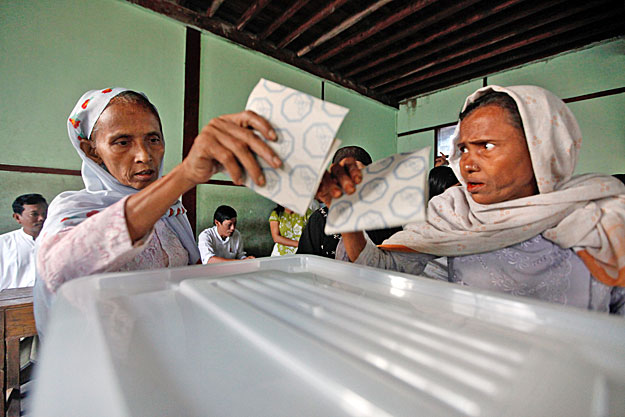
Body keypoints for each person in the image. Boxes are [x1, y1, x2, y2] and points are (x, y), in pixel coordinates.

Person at [318, 85, 625, 313]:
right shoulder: (452, 212)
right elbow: (381, 272)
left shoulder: (603, 221)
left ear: (541, 149)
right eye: (464, 148)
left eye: (486, 146)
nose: (467, 163)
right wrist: (350, 217)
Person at [34, 88, 282, 337]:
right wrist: (184, 175)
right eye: (122, 142)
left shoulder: (170, 210)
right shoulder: (73, 210)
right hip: (114, 362)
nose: (144, 156)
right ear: (91, 150)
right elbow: (57, 272)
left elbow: (185, 277)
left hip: (174, 347)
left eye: (153, 139)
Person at [297, 146, 400, 258]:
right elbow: (303, 264)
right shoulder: (319, 219)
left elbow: (395, 266)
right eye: (344, 175)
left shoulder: (389, 218)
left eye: (360, 175)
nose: (353, 182)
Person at [0, 194, 48, 290]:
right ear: (17, 218)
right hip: (12, 302)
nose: (41, 218)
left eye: (45, 213)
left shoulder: (60, 240)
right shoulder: (3, 244)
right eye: (34, 214)